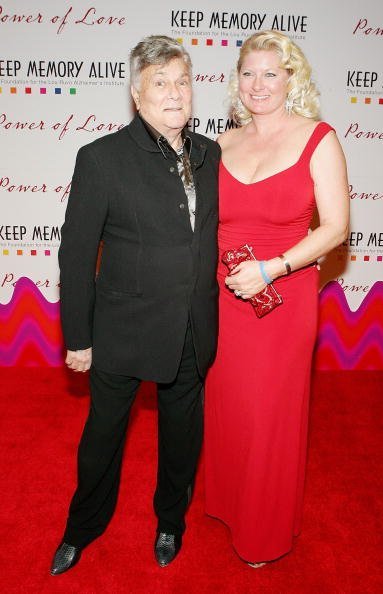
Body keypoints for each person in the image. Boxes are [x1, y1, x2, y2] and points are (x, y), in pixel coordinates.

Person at [50, 35, 220, 575]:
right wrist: (78, 337)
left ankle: (171, 520)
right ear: (136, 93)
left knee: (181, 439)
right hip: (120, 329)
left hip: (191, 326)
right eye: (160, 82)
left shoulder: (210, 153)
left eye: (183, 81)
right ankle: (83, 527)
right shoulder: (100, 159)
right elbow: (76, 254)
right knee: (102, 436)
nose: (174, 94)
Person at [204, 30, 349, 566]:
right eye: (248, 72)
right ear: (236, 80)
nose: (258, 84)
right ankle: (226, 502)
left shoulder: (319, 138)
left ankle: (263, 532)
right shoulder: (221, 143)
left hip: (284, 297)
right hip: (223, 299)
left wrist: (273, 267)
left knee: (270, 415)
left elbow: (335, 228)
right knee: (228, 406)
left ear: (292, 78)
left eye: (270, 72)